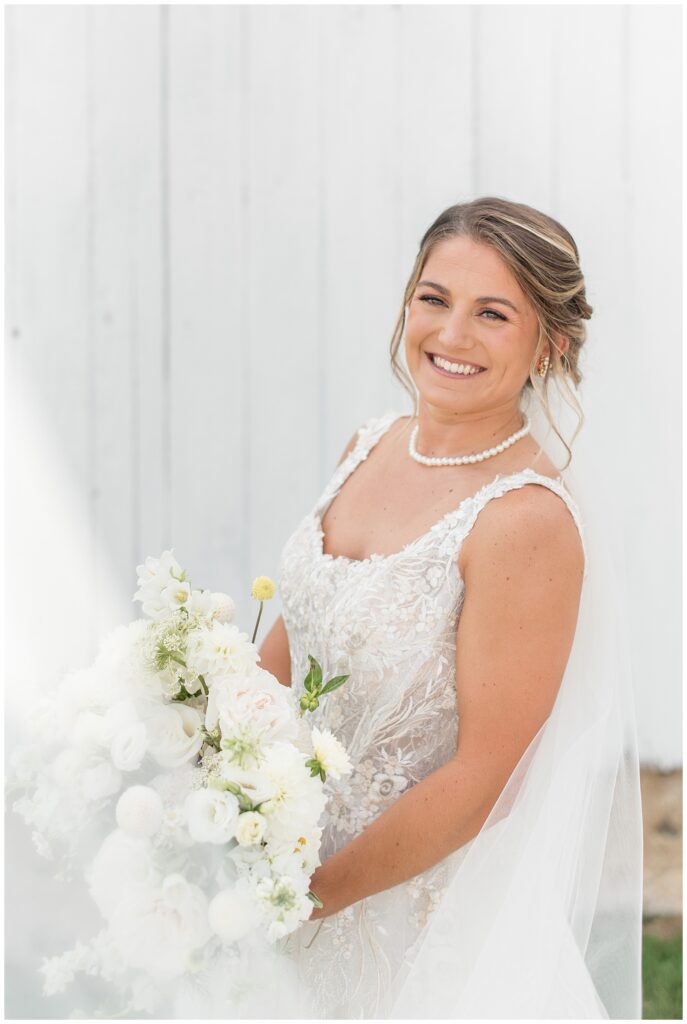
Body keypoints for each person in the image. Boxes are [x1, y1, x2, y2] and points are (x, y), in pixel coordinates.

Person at [259, 197, 643, 1019]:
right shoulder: (367, 446)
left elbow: (485, 777)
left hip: (411, 928)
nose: (451, 336)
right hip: (276, 864)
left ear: (551, 345)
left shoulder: (524, 520)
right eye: (434, 299)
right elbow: (291, 653)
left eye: (492, 314)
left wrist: (309, 898)